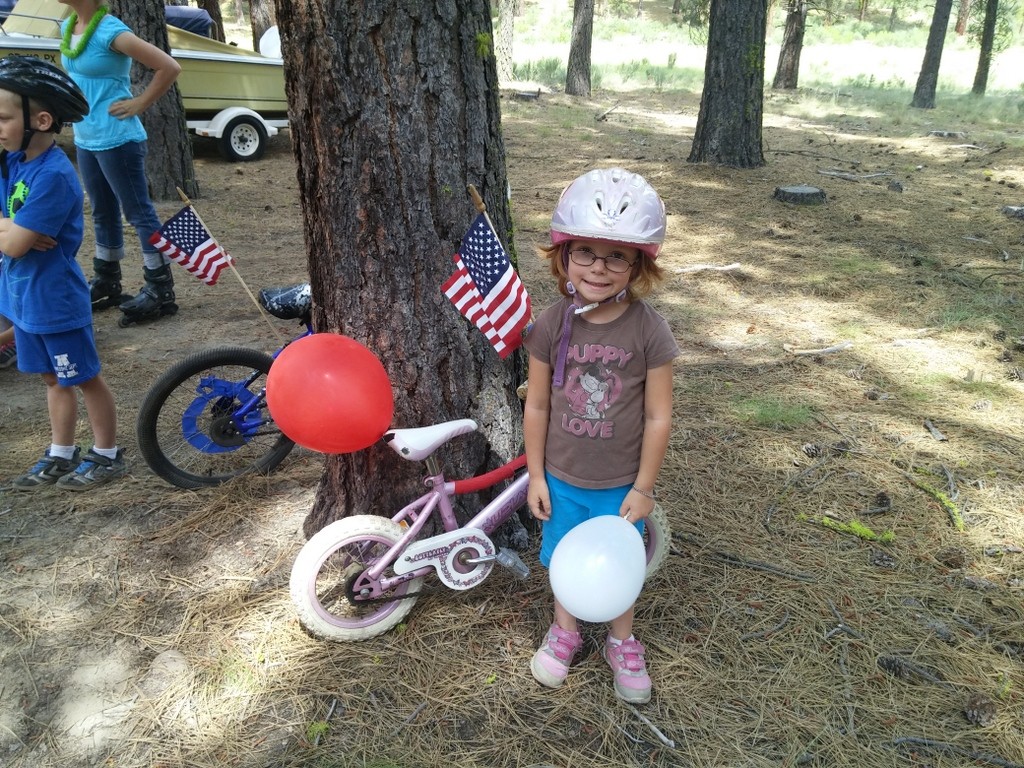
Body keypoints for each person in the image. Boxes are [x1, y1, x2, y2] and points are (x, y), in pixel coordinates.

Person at [524, 168, 679, 704]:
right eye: (586, 251)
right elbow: (538, 402)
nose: (599, 267)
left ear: (638, 264)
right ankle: (564, 632)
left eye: (617, 256)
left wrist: (643, 487)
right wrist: (536, 474)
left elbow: (659, 416)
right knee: (563, 555)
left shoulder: (648, 331)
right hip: (563, 479)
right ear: (563, 255)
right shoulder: (550, 324)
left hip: (618, 483)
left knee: (618, 562)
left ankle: (621, 640)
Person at [0, 55, 128, 490]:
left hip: (55, 300)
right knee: (53, 379)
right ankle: (61, 452)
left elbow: (15, 243)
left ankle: (108, 455)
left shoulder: (53, 174)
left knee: (84, 377)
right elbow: (12, 234)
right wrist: (14, 228)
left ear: (41, 119)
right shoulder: (13, 163)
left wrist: (17, 232)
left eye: (2, 117)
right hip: (24, 298)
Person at [59, 0, 182, 323]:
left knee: (138, 212)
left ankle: (159, 287)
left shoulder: (110, 31)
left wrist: (140, 103)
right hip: (86, 138)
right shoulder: (67, 26)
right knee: (102, 211)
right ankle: (107, 280)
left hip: (118, 138)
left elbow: (169, 66)